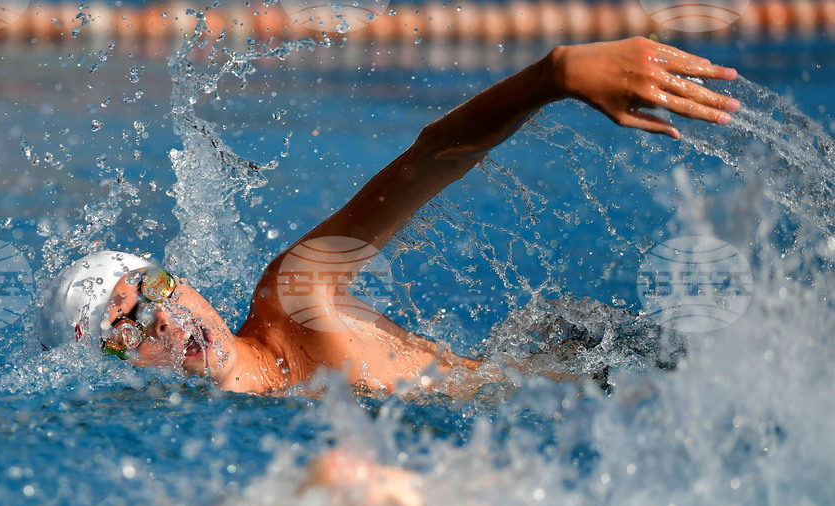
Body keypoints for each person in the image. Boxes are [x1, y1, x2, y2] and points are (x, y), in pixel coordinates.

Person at [37, 37, 740, 396]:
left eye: (154, 290)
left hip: (599, 377)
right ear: (111, 370)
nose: (159, 321)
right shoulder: (208, 442)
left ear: (184, 284)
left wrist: (553, 76)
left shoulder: (293, 297)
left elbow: (434, 157)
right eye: (121, 331)